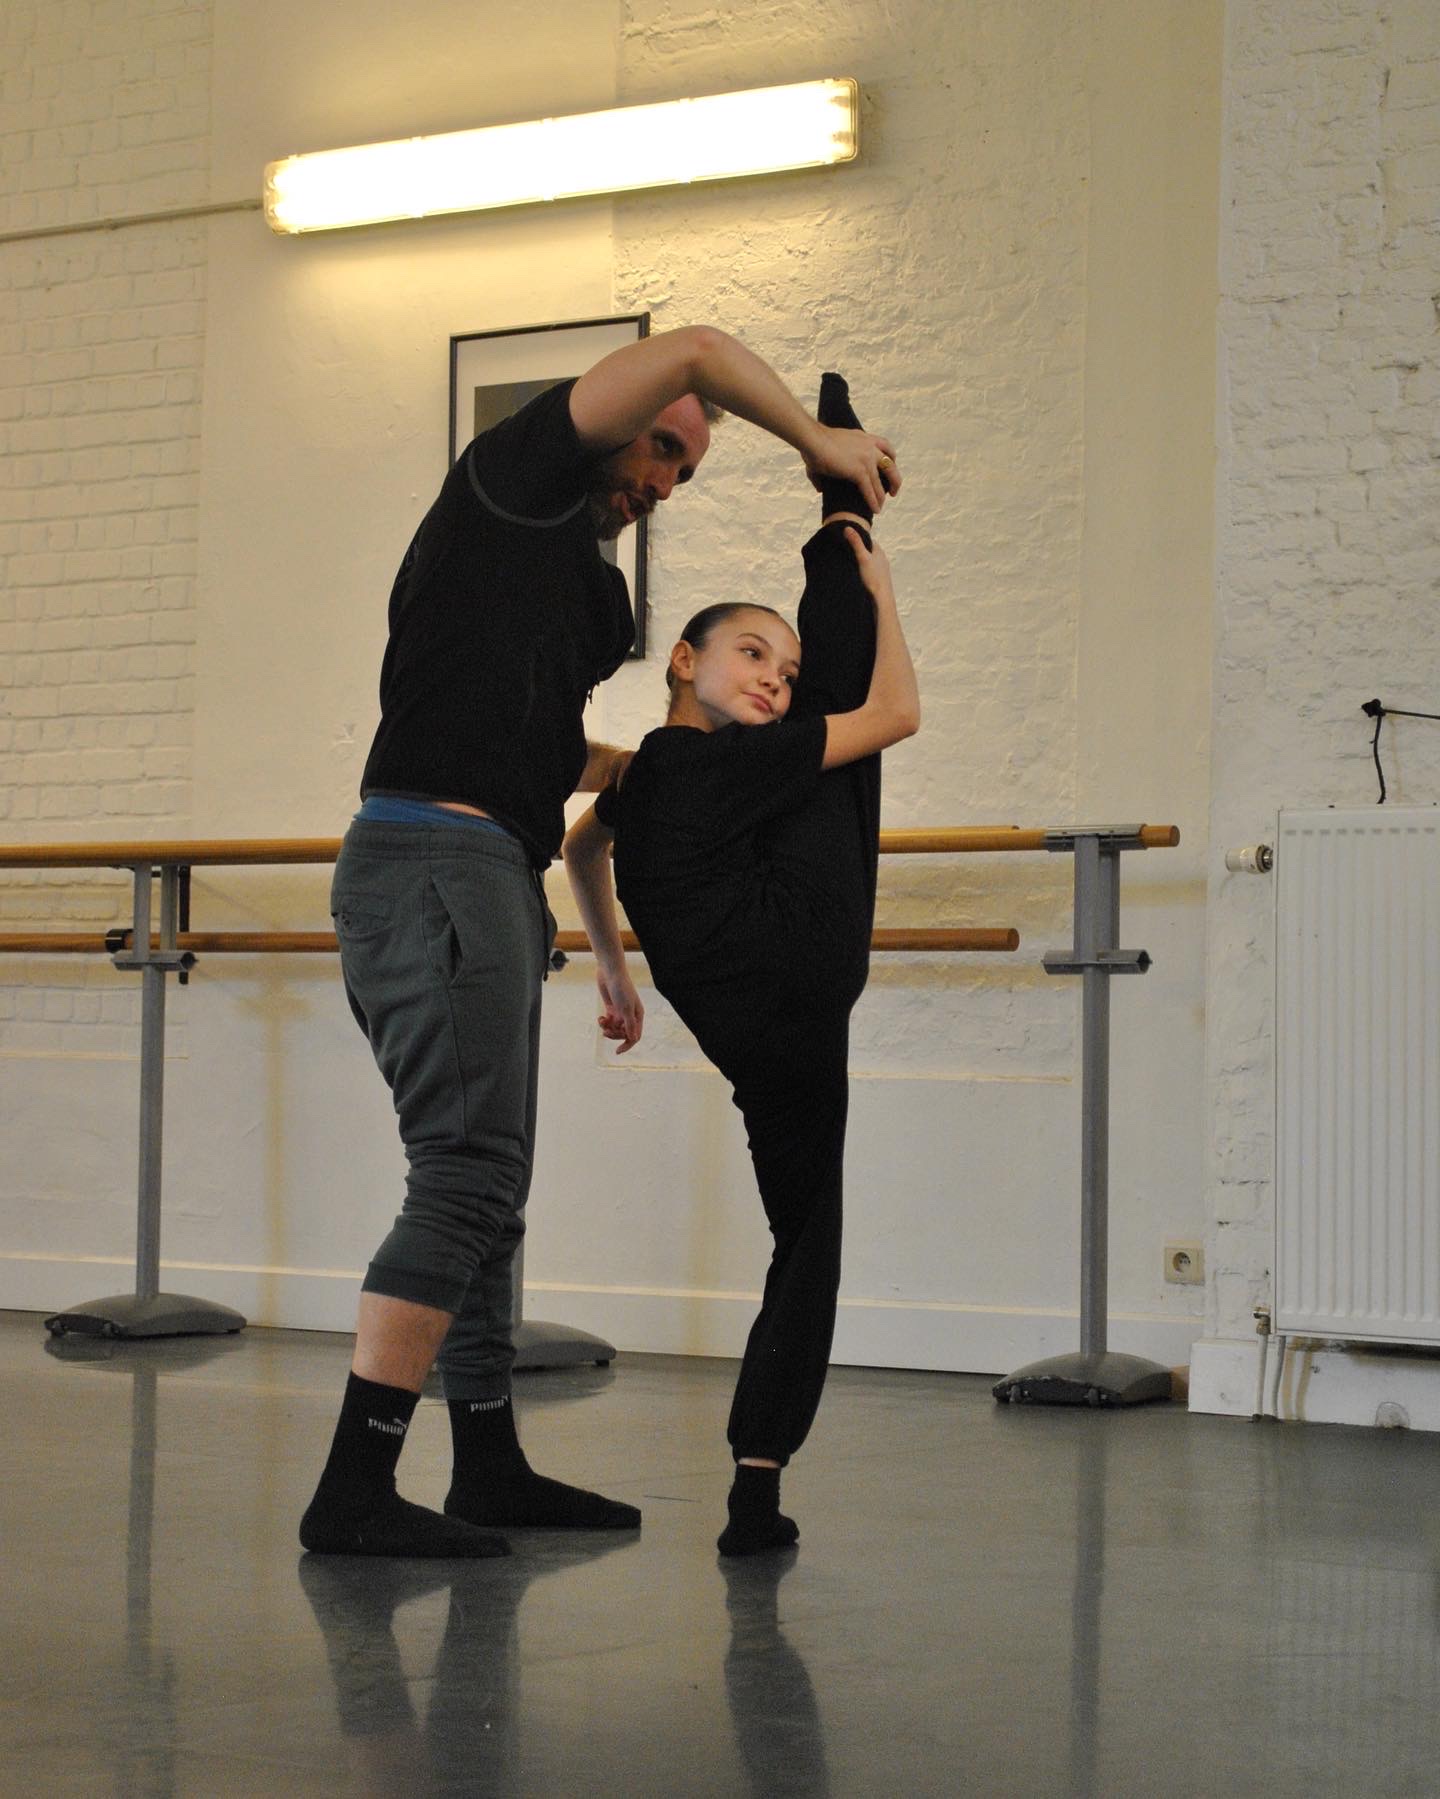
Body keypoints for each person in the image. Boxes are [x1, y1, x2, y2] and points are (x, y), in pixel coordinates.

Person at [300, 331, 900, 1558]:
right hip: (434, 858)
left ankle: (487, 1463)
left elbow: (530, 742)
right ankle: (355, 1485)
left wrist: (647, 782)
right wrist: (819, 444)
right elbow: (692, 343)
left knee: (492, 1195)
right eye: (664, 447)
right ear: (608, 415)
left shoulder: (591, 591)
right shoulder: (511, 482)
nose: (665, 482)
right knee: (464, 1176)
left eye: (686, 469)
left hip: (494, 869)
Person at [563, 373, 919, 1555]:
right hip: (801, 966)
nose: (770, 670)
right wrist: (871, 565)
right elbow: (898, 712)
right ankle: (838, 503)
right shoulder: (736, 768)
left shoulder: (649, 774)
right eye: (751, 651)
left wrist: (611, 968)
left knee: (804, 1233)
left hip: (767, 1031)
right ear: (683, 653)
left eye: (782, 657)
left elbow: (580, 840)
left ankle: (756, 1485)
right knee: (842, 731)